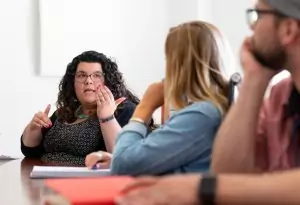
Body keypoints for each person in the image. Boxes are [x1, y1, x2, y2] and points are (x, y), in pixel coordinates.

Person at [109, 21, 234, 176]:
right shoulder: (219, 107)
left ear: (179, 65)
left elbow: (122, 166)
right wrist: (116, 157)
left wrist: (145, 107)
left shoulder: (202, 114)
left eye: (168, 60)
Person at [211, 0, 300, 173]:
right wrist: (254, 78)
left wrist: (193, 187)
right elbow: (227, 177)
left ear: (288, 29)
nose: (252, 28)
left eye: (257, 15)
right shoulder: (279, 97)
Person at [21, 51, 139, 166]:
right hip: (44, 178)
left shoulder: (124, 109)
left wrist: (107, 117)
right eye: (82, 75)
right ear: (73, 83)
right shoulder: (64, 112)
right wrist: (33, 128)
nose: (88, 81)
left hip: (88, 182)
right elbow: (30, 152)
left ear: (108, 81)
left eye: (97, 75)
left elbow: (123, 158)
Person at [114, 170, 300, 205]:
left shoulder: (203, 112)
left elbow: (125, 164)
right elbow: (228, 168)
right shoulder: (278, 95)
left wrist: (201, 187)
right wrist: (254, 79)